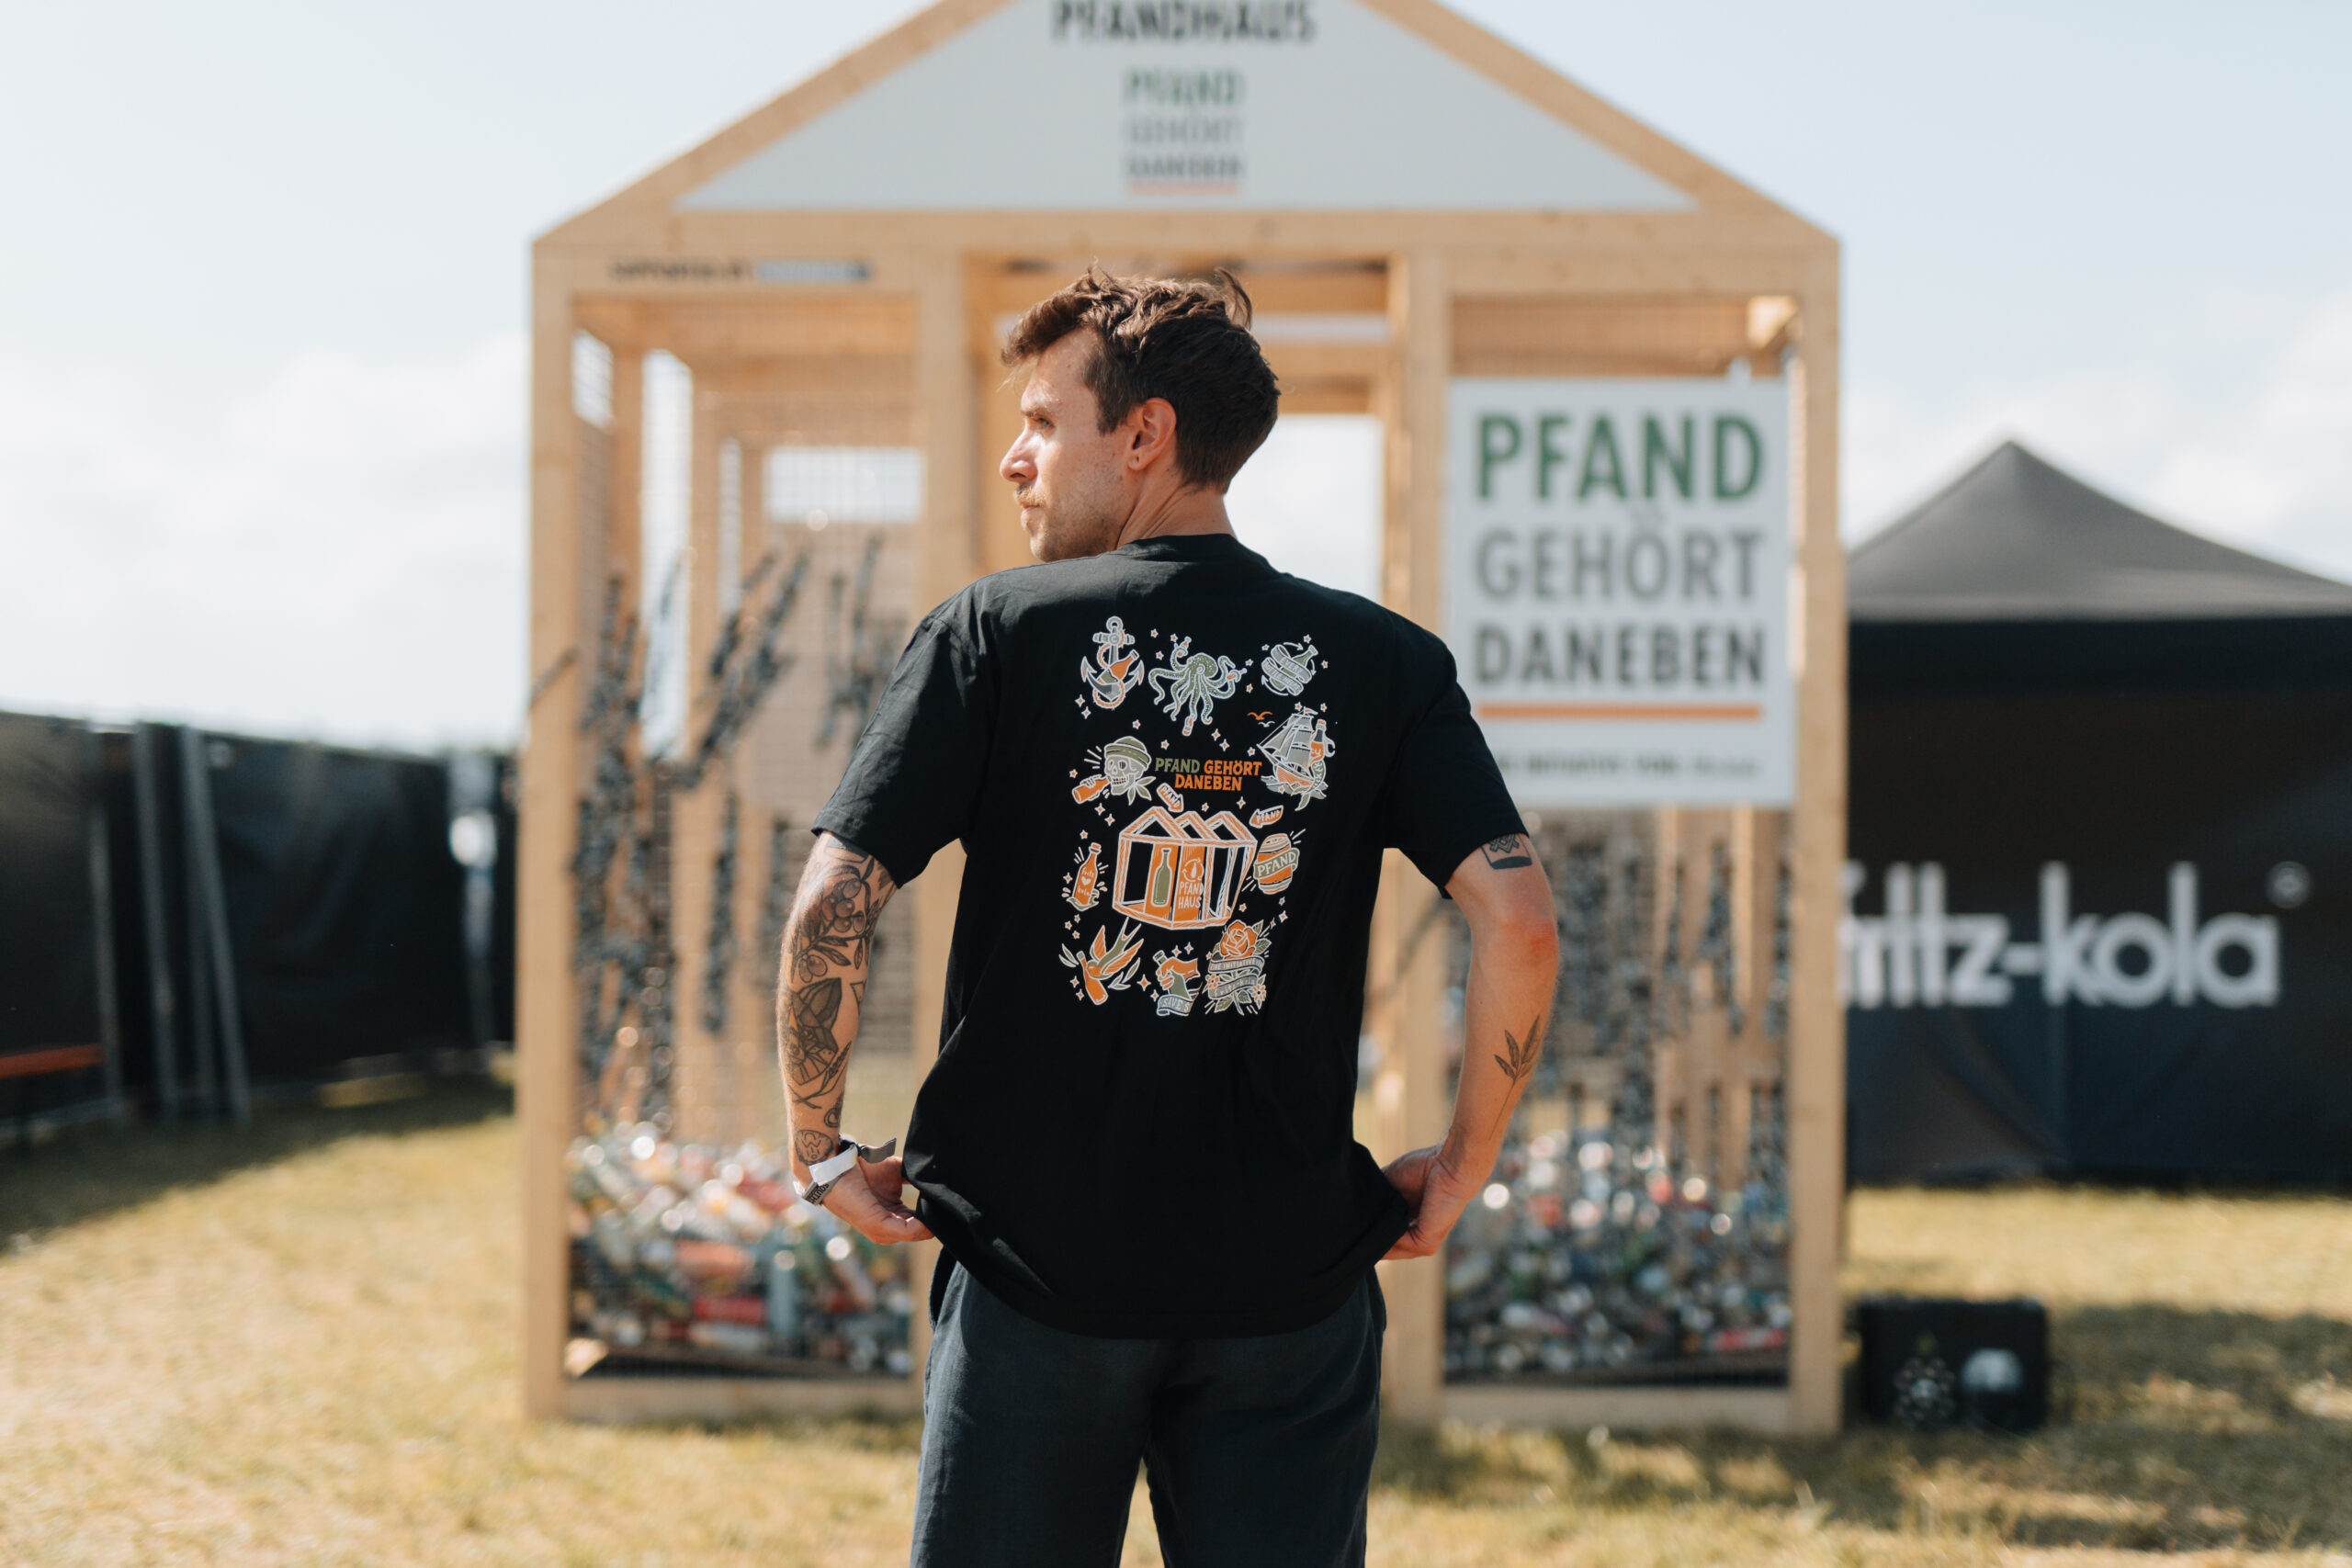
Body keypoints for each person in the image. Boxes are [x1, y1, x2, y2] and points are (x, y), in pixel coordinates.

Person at [775, 268, 1559, 1568]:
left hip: (1036, 1278)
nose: (1017, 458)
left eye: (1044, 421)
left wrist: (818, 1149)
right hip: (1289, 1291)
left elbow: (834, 903)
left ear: (1144, 435)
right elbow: (1520, 921)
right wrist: (1464, 1166)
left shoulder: (992, 635)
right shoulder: (1386, 662)